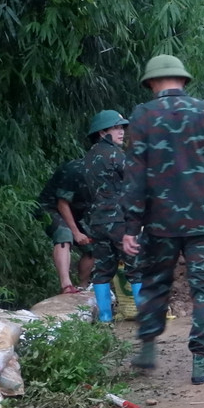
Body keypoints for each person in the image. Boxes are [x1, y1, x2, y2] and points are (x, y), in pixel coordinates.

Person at [122, 54, 204, 385]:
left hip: (159, 221)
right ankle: (200, 363)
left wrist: (130, 226)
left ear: (151, 83)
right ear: (183, 80)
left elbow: (134, 176)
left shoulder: (142, 116)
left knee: (154, 284)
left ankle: (148, 350)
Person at [82, 109, 138, 321]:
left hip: (97, 222)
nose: (121, 131)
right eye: (115, 128)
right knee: (136, 265)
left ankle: (105, 317)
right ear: (102, 132)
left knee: (103, 269)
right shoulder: (115, 154)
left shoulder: (88, 158)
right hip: (119, 221)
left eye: (122, 127)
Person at [38, 154, 95, 294]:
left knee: (94, 246)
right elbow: (62, 203)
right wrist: (76, 232)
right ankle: (66, 285)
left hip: (78, 212)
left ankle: (83, 286)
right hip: (51, 207)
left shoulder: (107, 172)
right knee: (65, 234)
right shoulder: (75, 169)